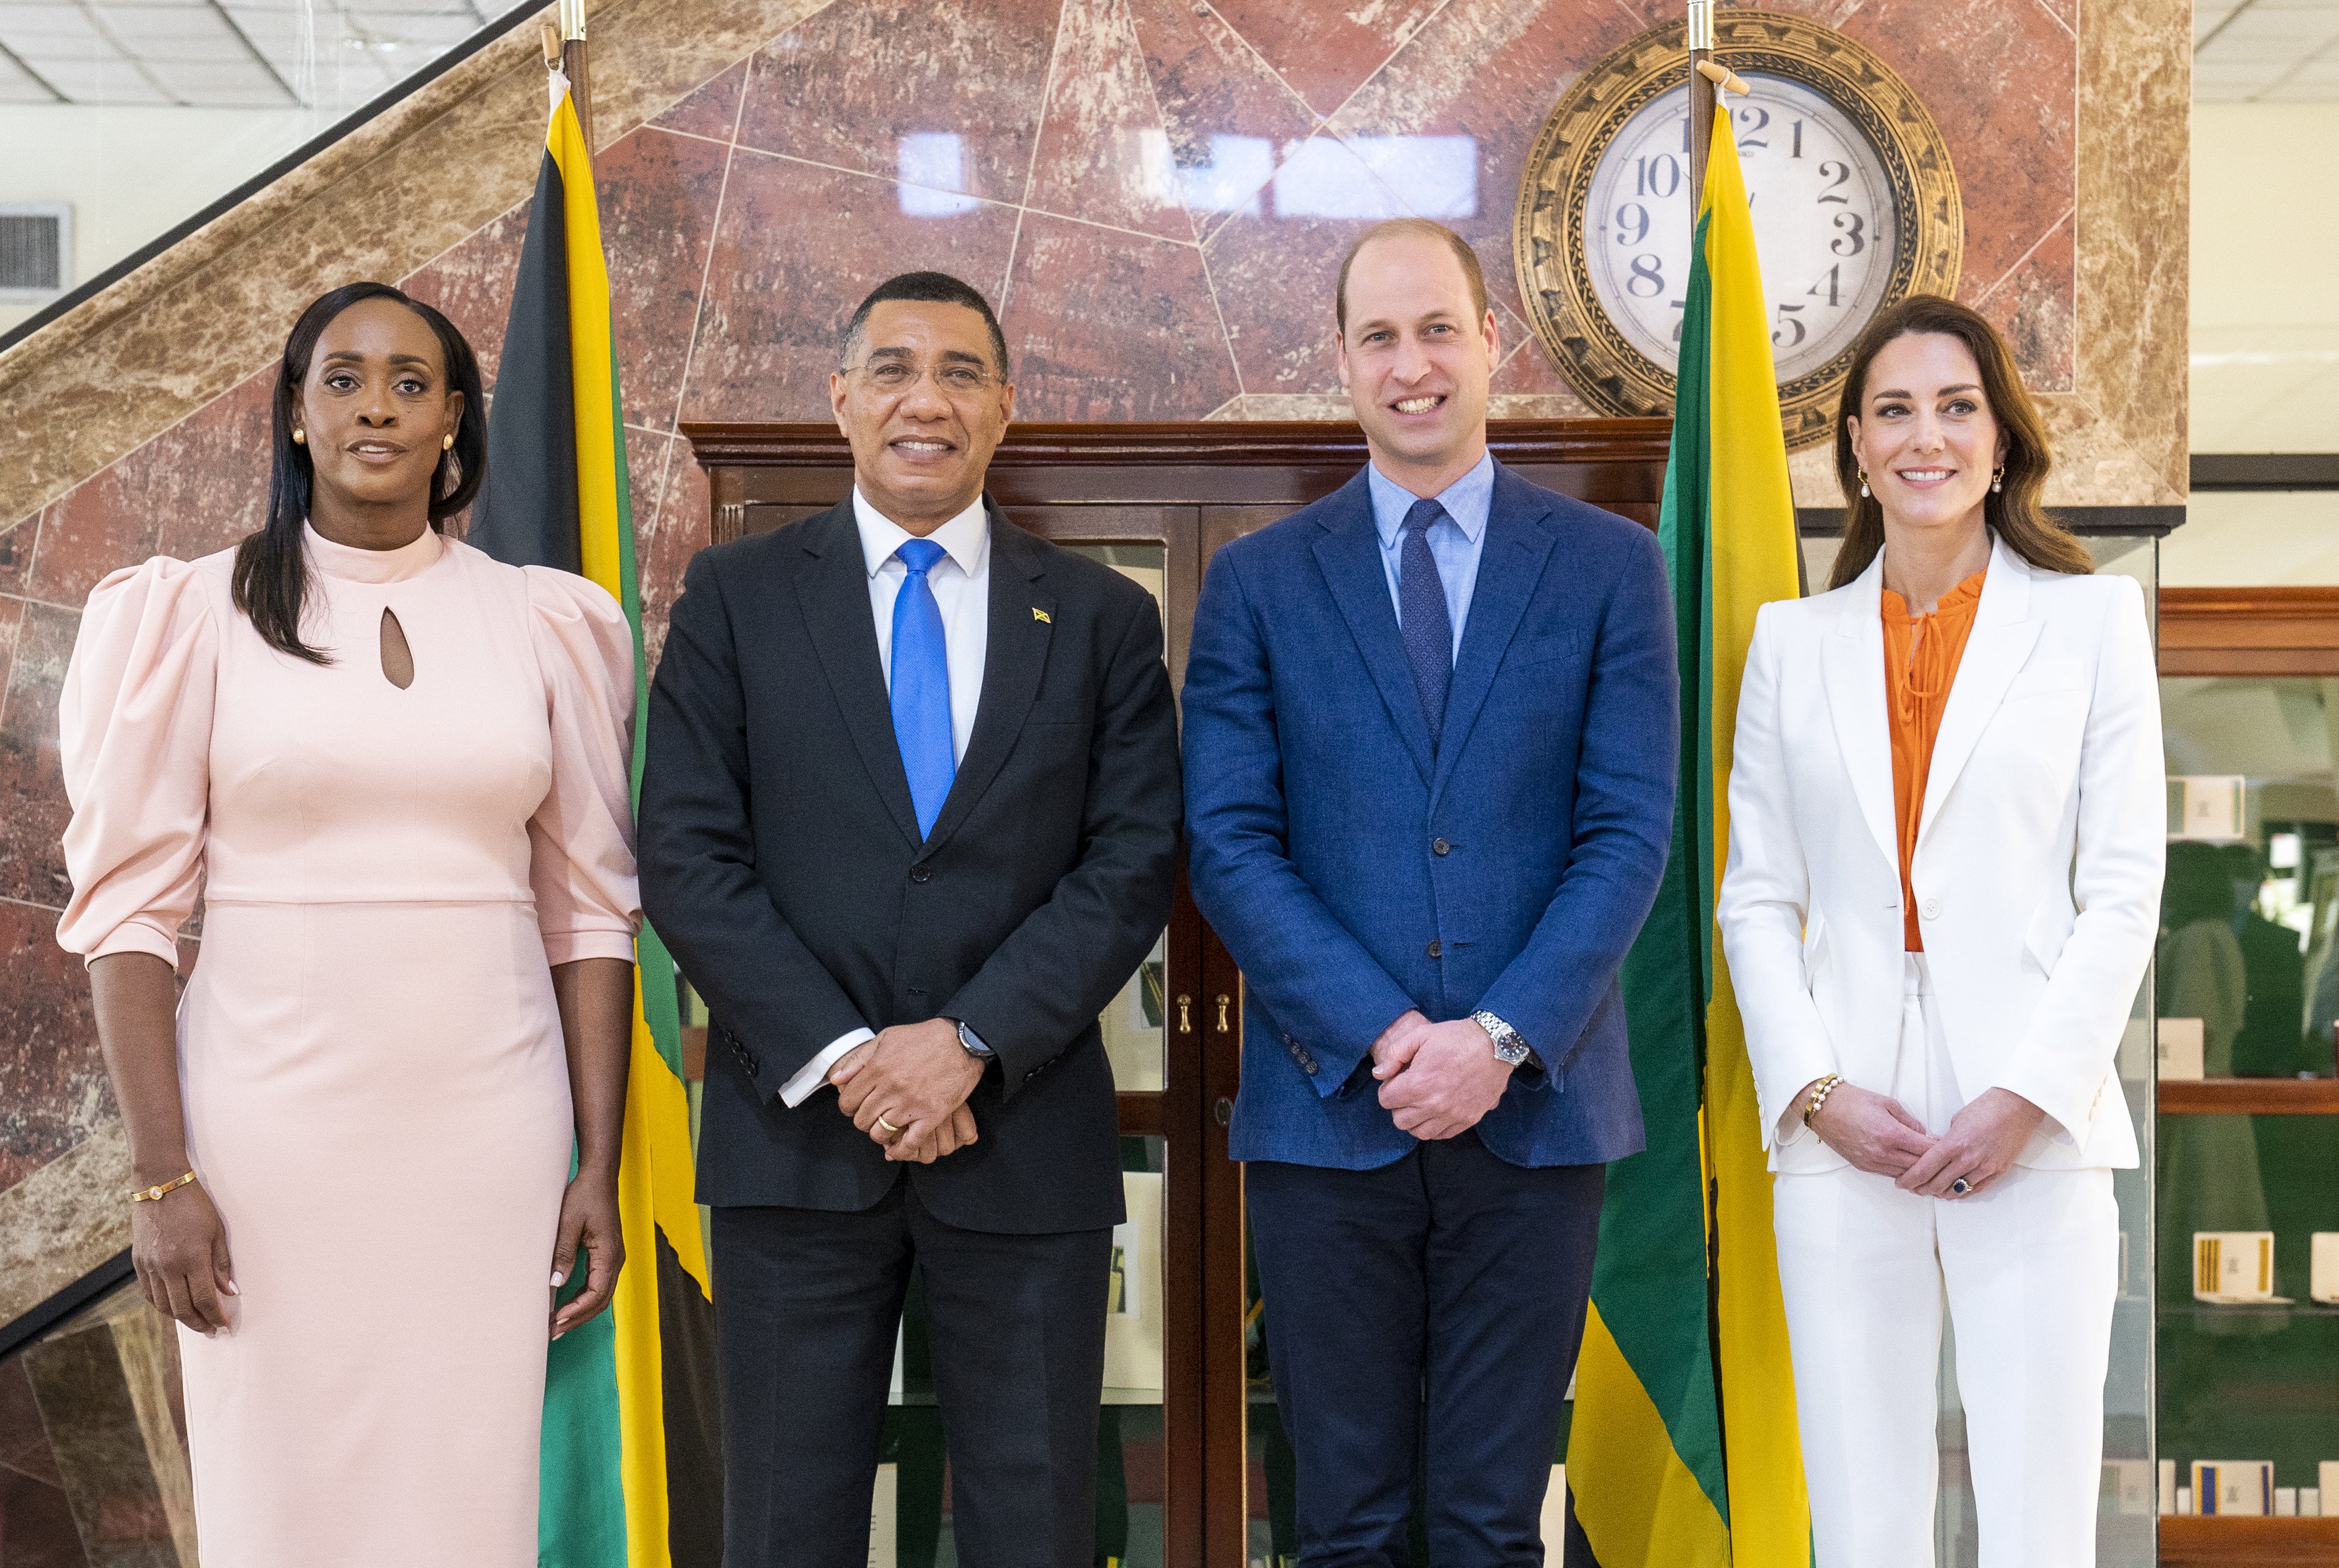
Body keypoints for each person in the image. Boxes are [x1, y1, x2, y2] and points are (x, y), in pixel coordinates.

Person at [55, 282, 640, 1566]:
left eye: (413, 381)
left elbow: (593, 916)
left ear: (454, 425)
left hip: (490, 1126)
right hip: (268, 1130)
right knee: (282, 1488)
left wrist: (597, 1165)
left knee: (467, 1485)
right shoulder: (186, 615)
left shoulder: (548, 622)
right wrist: (162, 1175)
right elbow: (131, 920)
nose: (378, 402)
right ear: (297, 414)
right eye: (345, 377)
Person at [639, 270, 1182, 1567]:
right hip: (798, 1141)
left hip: (1024, 1126)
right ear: (841, 399)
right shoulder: (739, 596)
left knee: (1036, 1513)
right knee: (786, 1517)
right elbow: (686, 854)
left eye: (957, 372)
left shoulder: (1104, 615)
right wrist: (850, 1056)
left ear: (1004, 405)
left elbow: (1132, 859)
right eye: (890, 368)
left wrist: (972, 1038)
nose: (922, 399)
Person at [1181, 218, 1678, 1564]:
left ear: (1491, 345)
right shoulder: (1259, 583)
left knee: (1486, 1520)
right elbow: (1228, 840)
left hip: (1539, 1116)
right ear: (1341, 361)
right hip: (1327, 1110)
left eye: (1439, 328)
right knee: (1345, 1523)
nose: (1414, 364)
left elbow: (1630, 829)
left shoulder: (1609, 567)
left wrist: (1498, 1037)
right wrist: (1393, 1036)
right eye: (1382, 336)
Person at [1717, 294, 2164, 1564]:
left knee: (2038, 1515)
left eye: (1957, 407)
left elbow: (2125, 883)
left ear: (2003, 436)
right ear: (1854, 444)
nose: (1928, 436)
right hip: (1843, 1127)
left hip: (2034, 1115)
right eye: (1895, 409)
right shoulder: (1791, 645)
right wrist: (1814, 1089)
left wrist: (2031, 1090)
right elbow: (1756, 893)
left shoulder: (2092, 625)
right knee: (1861, 1516)